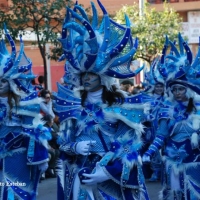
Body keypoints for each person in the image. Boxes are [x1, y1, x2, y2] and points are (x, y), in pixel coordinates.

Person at [54, 1, 150, 199]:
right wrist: (74, 147)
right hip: (80, 174)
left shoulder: (118, 104)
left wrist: (106, 171)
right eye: (84, 75)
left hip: (110, 173)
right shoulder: (72, 104)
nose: (87, 78)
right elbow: (62, 141)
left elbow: (130, 145)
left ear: (103, 77)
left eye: (92, 74)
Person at [143, 34, 200, 199]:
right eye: (174, 90)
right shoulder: (166, 110)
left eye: (180, 89)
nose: (177, 93)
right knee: (174, 195)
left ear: (187, 90)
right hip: (171, 161)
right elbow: (161, 135)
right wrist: (149, 152)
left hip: (194, 161)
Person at [0, 26, 50, 199]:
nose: (0, 84)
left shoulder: (24, 103)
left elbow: (33, 130)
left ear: (12, 82)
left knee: (15, 190)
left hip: (17, 155)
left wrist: (41, 157)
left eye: (3, 80)